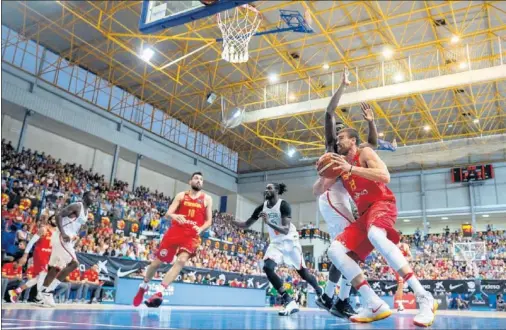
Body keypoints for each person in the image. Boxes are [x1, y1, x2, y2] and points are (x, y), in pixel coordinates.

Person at [326, 127, 437, 326]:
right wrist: (321, 171)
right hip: (364, 215)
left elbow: (385, 176)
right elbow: (319, 188)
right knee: (335, 250)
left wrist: (351, 168)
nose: (338, 141)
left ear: (353, 141)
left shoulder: (365, 153)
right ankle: (374, 303)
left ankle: (423, 296)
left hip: (382, 203)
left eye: (341, 138)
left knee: (376, 235)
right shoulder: (341, 166)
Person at [313, 68, 378, 318]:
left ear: (350, 139)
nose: (338, 133)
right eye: (336, 131)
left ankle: (333, 297)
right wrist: (343, 86)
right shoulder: (332, 146)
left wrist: (371, 121)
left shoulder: (355, 150)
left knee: (347, 251)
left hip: (339, 200)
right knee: (353, 245)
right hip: (331, 197)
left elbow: (372, 143)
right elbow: (329, 112)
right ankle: (335, 298)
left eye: (343, 131)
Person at [229, 183, 323, 316]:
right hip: (276, 243)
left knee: (303, 274)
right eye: (266, 188)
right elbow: (246, 224)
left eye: (269, 188)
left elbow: (285, 230)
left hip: (290, 240)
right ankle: (288, 300)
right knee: (267, 267)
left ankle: (320, 291)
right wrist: (232, 221)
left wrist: (268, 223)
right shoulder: (262, 208)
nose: (266, 190)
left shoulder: (284, 205)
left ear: (277, 190)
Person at [133, 172, 212, 308]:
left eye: (201, 180)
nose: (199, 181)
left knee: (181, 260)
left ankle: (159, 292)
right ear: (190, 181)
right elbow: (168, 213)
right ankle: (143, 286)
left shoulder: (207, 199)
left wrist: (201, 229)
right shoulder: (181, 196)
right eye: (196, 178)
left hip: (192, 235)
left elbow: (209, 221)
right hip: (175, 232)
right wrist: (175, 216)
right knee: (156, 263)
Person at [39, 191, 95, 307]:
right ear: (84, 197)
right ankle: (49, 291)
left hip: (69, 238)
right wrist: (64, 233)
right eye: (91, 196)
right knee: (74, 264)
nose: (93, 198)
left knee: (55, 268)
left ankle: (42, 296)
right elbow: (58, 215)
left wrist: (79, 233)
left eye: (94, 197)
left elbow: (76, 225)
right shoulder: (76, 205)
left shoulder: (86, 211)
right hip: (62, 236)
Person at [8, 215, 56, 304]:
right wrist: (25, 255)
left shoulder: (56, 232)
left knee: (39, 278)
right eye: (53, 218)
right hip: (39, 253)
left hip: (47, 255)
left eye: (56, 219)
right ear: (49, 221)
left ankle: (16, 291)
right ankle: (39, 297)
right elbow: (31, 242)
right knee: (43, 274)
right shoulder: (43, 229)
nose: (55, 220)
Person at [394, 236, 412, 312]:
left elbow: (410, 256)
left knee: (408, 282)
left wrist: (404, 259)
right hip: (397, 267)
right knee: (400, 283)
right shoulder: (392, 246)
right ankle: (400, 304)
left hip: (405, 266)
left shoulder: (405, 246)